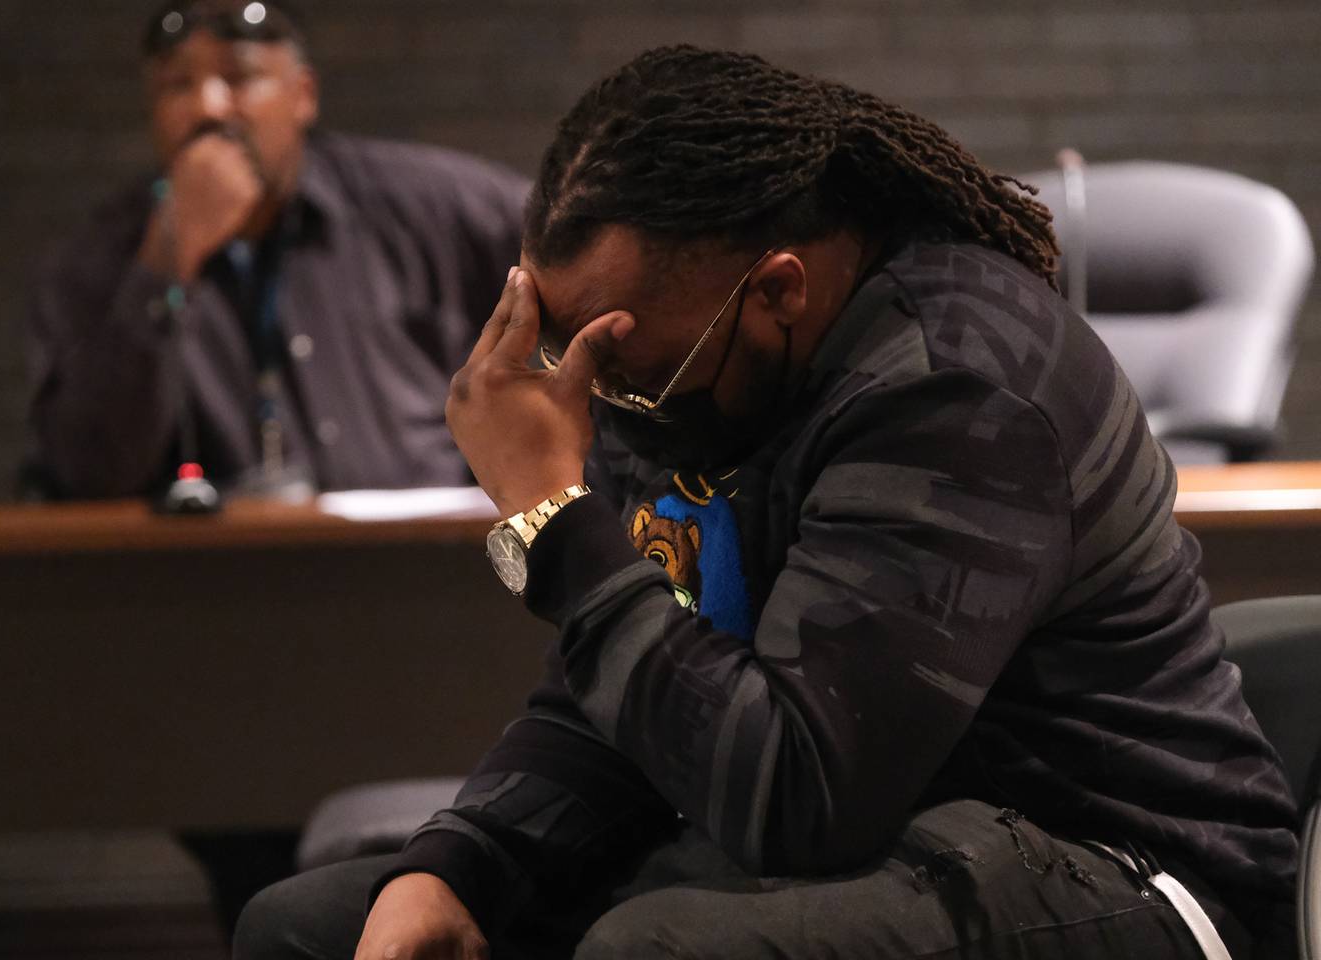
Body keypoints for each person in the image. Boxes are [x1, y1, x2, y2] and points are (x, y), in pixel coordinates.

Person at [236, 46, 1299, 960]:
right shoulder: (690, 372)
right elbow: (624, 684)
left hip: (1123, 861)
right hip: (894, 824)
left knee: (657, 948)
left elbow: (800, 798)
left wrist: (552, 521)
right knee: (318, 927)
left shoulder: (951, 386)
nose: (606, 400)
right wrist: (462, 862)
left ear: (780, 290)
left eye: (627, 367)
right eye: (580, 356)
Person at [26, 0, 527, 499]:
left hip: (432, 557)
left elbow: (570, 253)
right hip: (221, 571)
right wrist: (165, 261)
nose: (207, 106)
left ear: (303, 95)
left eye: (239, 78)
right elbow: (85, 476)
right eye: (177, 85)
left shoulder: (425, 207)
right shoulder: (96, 262)